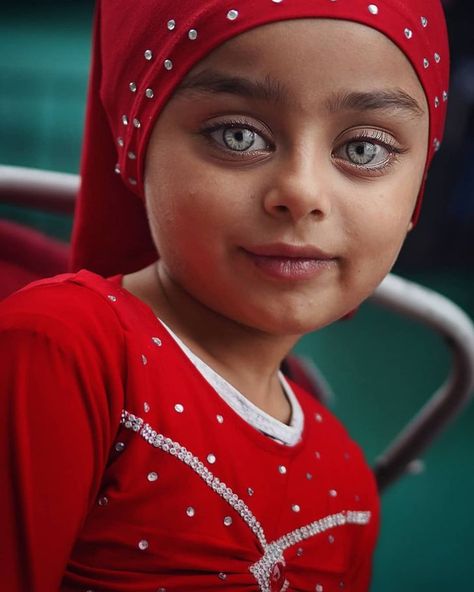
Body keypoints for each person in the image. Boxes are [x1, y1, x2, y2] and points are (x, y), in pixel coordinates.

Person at [0, 1, 450, 590]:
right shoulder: (63, 352)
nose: (301, 192)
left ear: (416, 191)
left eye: (363, 149)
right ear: (136, 150)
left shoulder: (348, 477)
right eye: (238, 136)